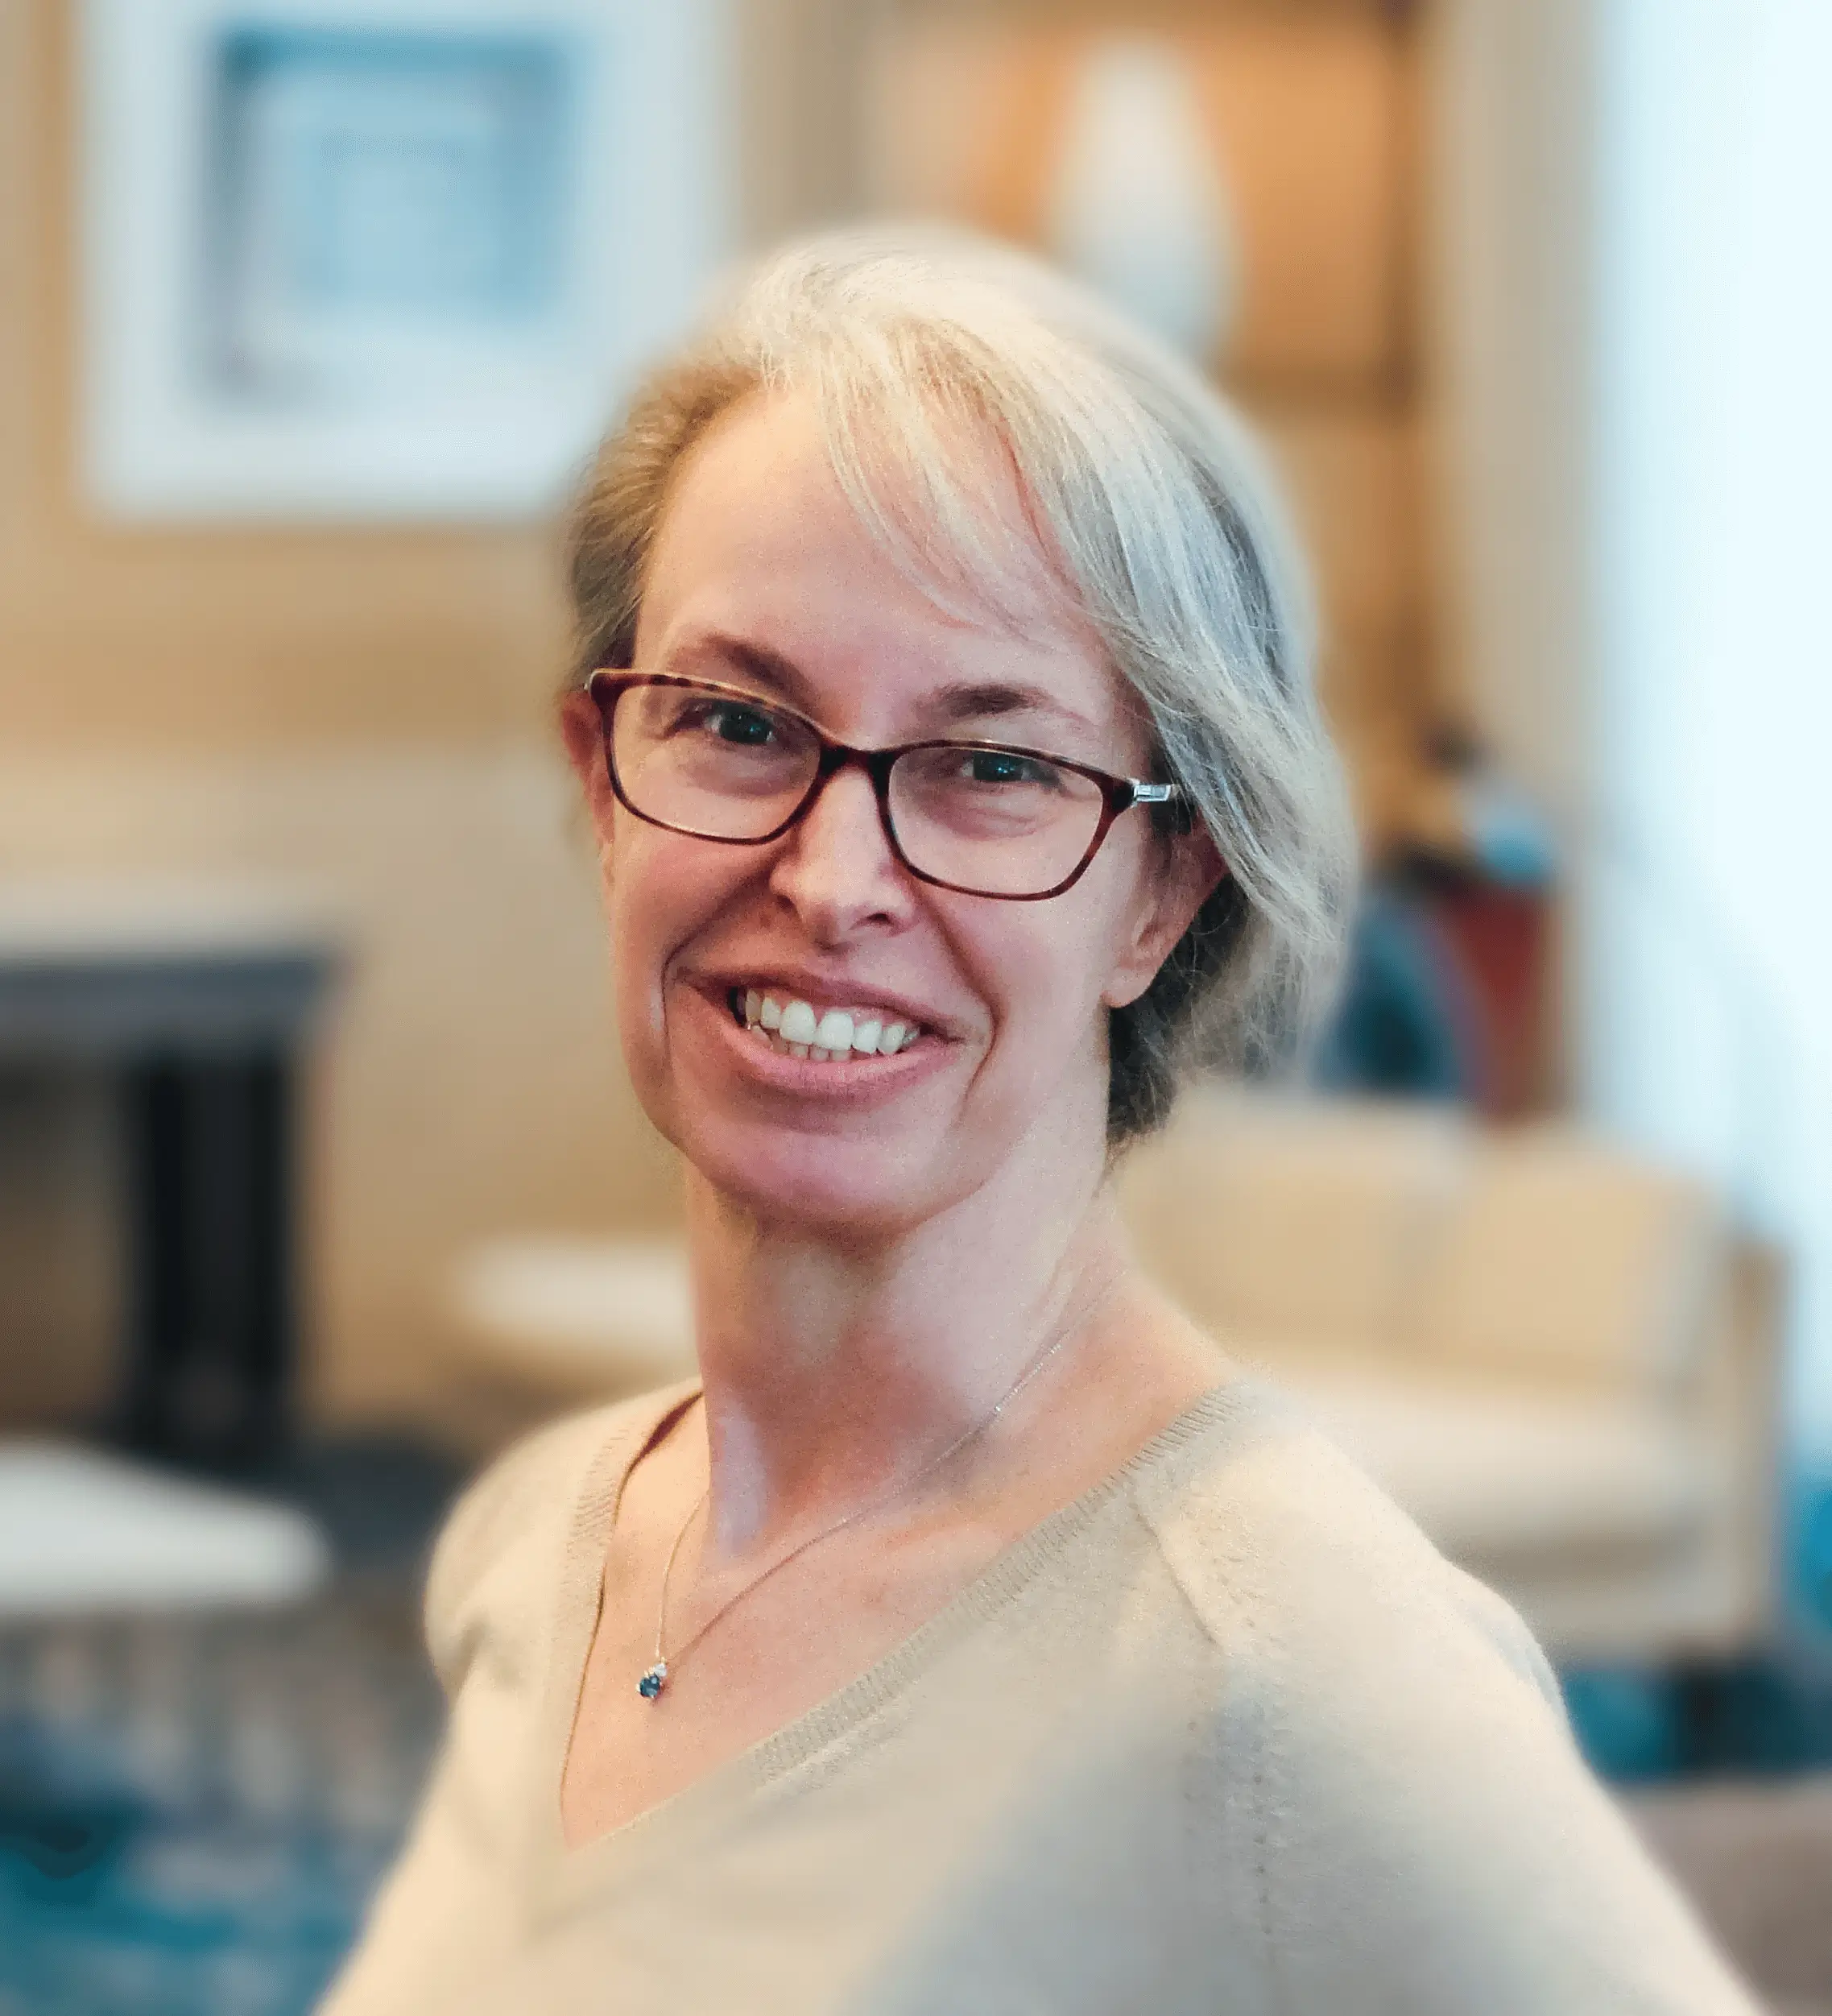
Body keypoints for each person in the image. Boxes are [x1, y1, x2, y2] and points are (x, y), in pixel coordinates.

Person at [320, 229, 1756, 2014]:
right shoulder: (549, 1548)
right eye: (739, 722)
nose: (833, 879)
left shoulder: (1285, 1669)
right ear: (602, 783)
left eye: (995, 767)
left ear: (1161, 894)